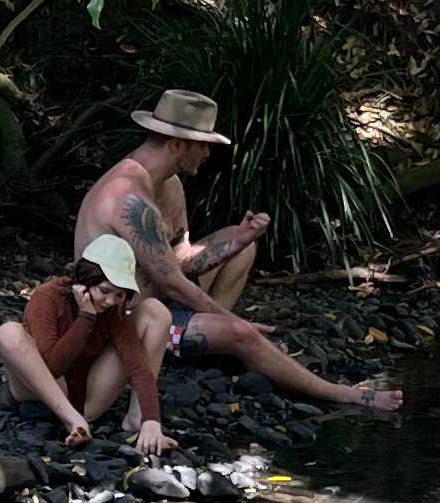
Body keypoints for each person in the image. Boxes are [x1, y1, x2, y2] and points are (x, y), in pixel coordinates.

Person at [73, 86, 402, 415]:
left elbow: (179, 260)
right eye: (202, 145)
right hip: (130, 322)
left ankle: (216, 340)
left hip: (161, 300)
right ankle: (340, 393)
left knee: (239, 246)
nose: (206, 154)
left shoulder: (168, 185)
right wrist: (233, 322)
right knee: (241, 333)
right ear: (176, 144)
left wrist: (239, 241)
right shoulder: (126, 196)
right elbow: (172, 280)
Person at [0, 231, 175, 458]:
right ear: (84, 280)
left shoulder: (113, 310)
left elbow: (137, 364)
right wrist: (86, 317)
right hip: (41, 390)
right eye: (105, 291)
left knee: (155, 311)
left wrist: (152, 420)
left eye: (119, 295)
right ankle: (72, 420)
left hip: (87, 402)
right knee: (9, 332)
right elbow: (52, 367)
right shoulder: (48, 296)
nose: (110, 301)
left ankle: (136, 418)